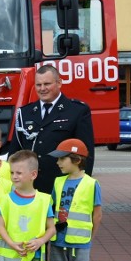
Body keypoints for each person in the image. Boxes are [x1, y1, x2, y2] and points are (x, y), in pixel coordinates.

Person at [8, 64, 95, 194]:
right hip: (30, 187)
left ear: (59, 83)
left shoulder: (77, 111)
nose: (42, 89)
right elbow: (15, 152)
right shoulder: (25, 112)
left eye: (47, 84)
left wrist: (81, 185)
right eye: (38, 85)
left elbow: (85, 153)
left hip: (62, 186)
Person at [48, 139, 102, 261]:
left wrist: (90, 238)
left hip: (80, 242)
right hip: (58, 240)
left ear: (77, 160)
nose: (58, 163)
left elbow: (97, 215)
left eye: (62, 159)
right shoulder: (58, 181)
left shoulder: (91, 184)